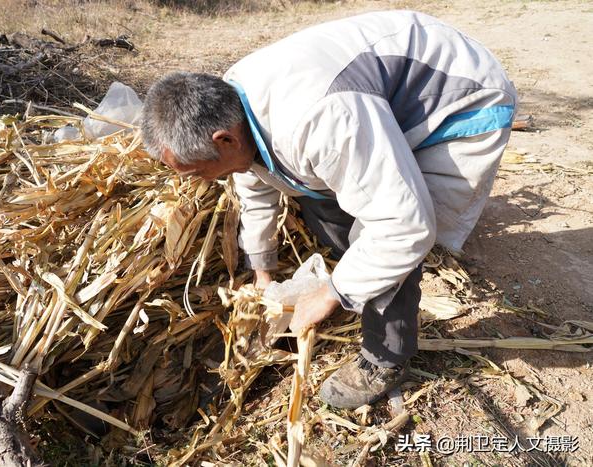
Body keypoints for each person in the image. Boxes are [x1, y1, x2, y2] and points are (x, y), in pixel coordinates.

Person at [140, 10, 517, 409]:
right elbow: (252, 175)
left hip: (457, 100)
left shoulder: (320, 121)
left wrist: (331, 294)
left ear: (225, 139)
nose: (201, 181)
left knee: (390, 237)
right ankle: (362, 282)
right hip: (377, 96)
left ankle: (384, 358)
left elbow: (402, 227)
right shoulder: (232, 103)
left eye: (199, 171)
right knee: (337, 207)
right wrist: (262, 269)